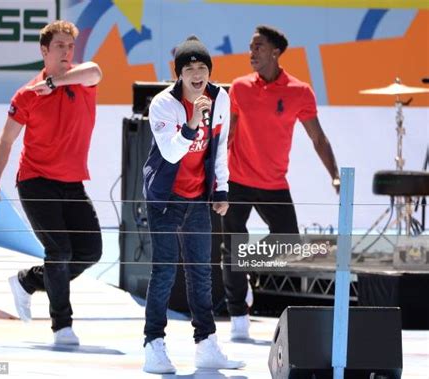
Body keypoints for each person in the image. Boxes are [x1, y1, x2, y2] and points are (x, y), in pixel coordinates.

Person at [0, 20, 103, 345]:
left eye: (70, 46)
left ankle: (27, 282)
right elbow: (6, 140)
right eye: (60, 46)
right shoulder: (27, 94)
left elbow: (95, 70)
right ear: (44, 50)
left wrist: (55, 82)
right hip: (36, 181)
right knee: (60, 250)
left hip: (72, 182)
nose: (67, 51)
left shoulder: (82, 78)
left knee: (90, 251)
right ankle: (61, 326)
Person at [222, 25, 340, 340]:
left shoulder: (300, 91)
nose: (252, 53)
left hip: (273, 182)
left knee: (288, 241)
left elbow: (318, 138)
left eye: (258, 47)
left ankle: (244, 271)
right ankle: (238, 316)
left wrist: (335, 175)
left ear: (275, 52)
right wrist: (217, 173)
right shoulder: (239, 87)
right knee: (232, 247)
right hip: (237, 178)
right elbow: (229, 133)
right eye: (250, 46)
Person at [141, 36, 245, 374]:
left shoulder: (221, 98)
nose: (197, 74)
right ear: (179, 74)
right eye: (190, 69)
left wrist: (222, 188)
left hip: (199, 196)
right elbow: (171, 152)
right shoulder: (162, 104)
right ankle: (153, 345)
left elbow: (220, 144)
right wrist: (192, 123)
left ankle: (206, 345)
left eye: (203, 68)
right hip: (165, 199)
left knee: (202, 273)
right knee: (165, 272)